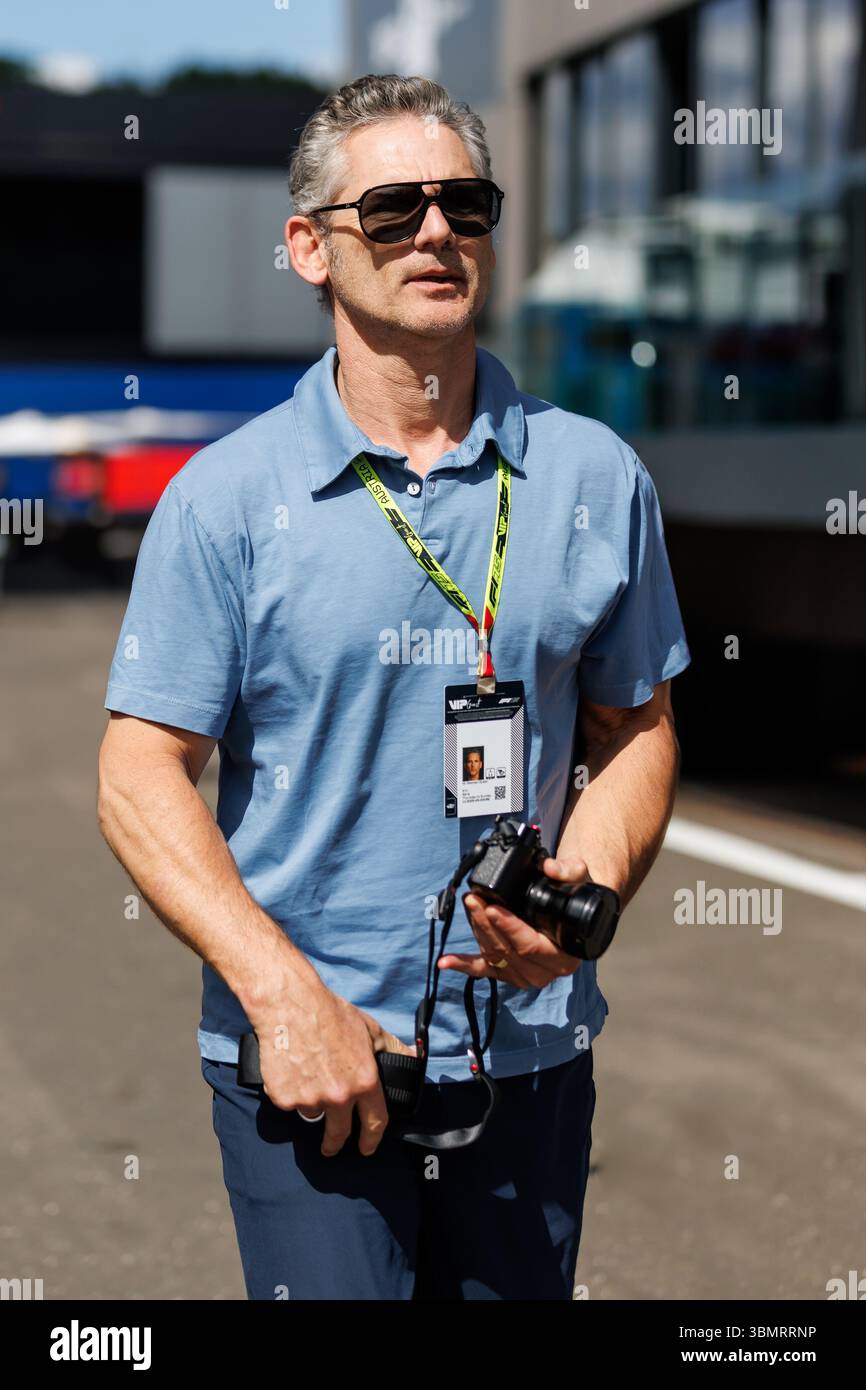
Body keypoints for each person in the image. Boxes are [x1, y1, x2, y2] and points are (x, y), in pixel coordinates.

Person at [97, 73, 690, 1301]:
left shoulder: (594, 476)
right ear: (308, 247)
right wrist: (282, 996)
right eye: (392, 209)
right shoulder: (225, 497)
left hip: (526, 1062)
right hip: (310, 1066)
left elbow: (632, 726)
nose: (434, 231)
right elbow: (137, 771)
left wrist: (585, 894)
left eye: (462, 203)